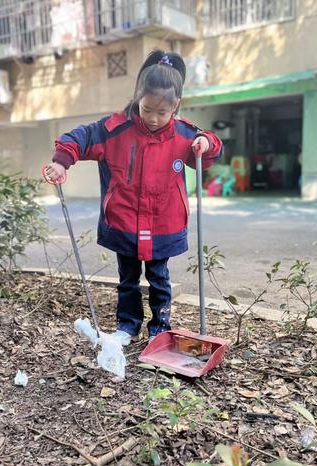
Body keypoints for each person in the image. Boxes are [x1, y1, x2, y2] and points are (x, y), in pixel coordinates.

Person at [43, 50, 223, 345]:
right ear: (138, 98)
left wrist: (206, 143)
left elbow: (213, 146)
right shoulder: (115, 129)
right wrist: (62, 160)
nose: (153, 118)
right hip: (123, 220)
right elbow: (80, 137)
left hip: (164, 222)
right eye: (147, 109)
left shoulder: (184, 134)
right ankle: (127, 327)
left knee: (159, 279)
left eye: (161, 112)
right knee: (127, 279)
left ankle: (160, 328)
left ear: (176, 105)